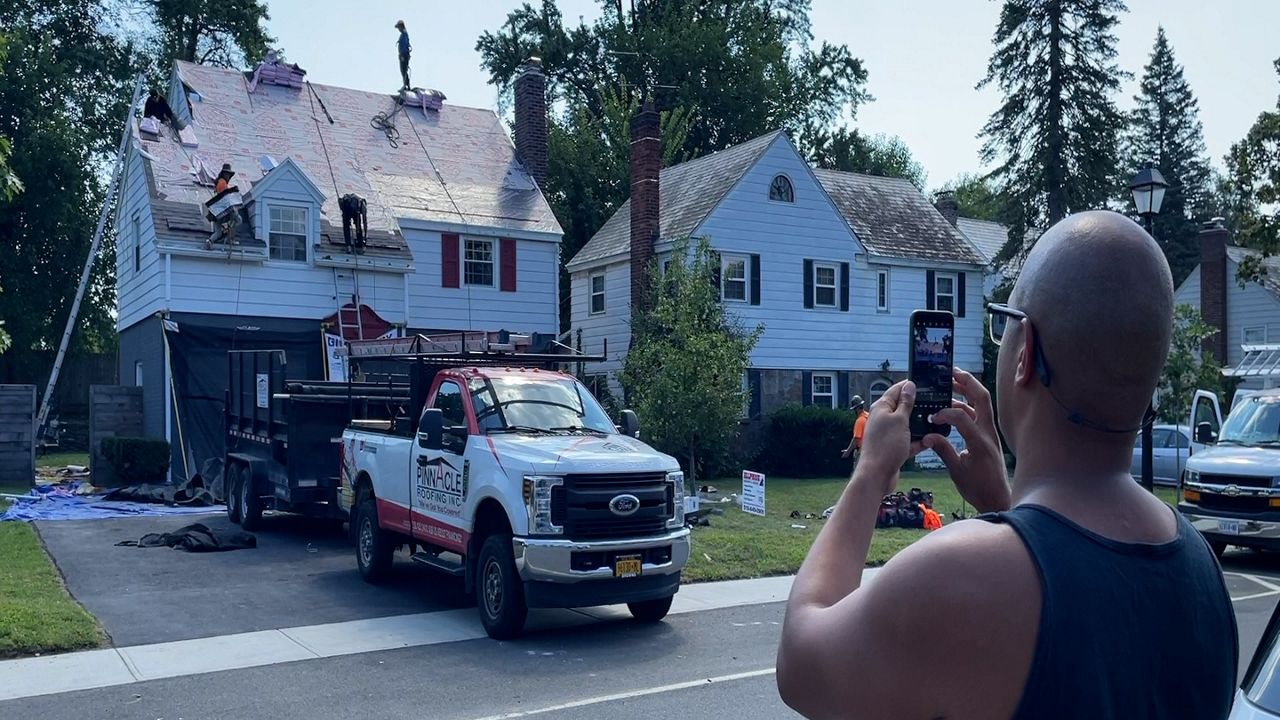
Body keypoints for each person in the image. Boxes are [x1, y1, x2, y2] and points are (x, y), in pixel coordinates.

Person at [777, 211, 1237, 719]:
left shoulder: (959, 574)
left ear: (1026, 353)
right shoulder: (1204, 570)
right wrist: (1005, 506)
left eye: (1006, 324)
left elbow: (801, 661)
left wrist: (868, 478)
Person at [840, 395, 868, 461]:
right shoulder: (869, 416)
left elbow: (856, 439)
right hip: (870, 450)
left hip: (861, 452)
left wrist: (847, 452)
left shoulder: (860, 421)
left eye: (854, 409)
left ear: (857, 408)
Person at [395, 20, 412, 91]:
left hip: (404, 55)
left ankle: (406, 85)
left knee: (403, 70)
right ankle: (406, 85)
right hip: (404, 55)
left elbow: (404, 46)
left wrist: (402, 55)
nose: (398, 29)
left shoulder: (404, 34)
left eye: (399, 27)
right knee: (403, 71)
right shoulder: (404, 34)